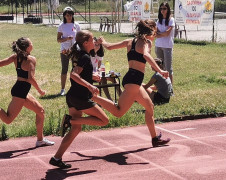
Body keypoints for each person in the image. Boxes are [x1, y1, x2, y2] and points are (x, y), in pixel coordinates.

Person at [93, 19, 171, 147]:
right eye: (155, 32)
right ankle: (93, 97)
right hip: (134, 82)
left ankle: (155, 138)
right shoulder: (147, 42)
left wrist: (103, 42)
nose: (155, 34)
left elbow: (110, 47)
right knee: (118, 112)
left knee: (150, 106)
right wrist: (160, 70)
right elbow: (145, 55)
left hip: (132, 80)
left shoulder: (130, 41)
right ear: (150, 30)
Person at [49, 30, 109, 169]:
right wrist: (90, 85)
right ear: (86, 43)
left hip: (73, 96)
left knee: (75, 130)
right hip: (81, 97)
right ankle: (70, 120)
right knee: (104, 120)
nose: (95, 42)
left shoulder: (81, 54)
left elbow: (80, 73)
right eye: (93, 39)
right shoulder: (85, 57)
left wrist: (91, 77)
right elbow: (73, 75)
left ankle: (56, 158)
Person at [0, 37, 54, 147]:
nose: (32, 44)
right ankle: (40, 140)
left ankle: (40, 140)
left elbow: (1, 63)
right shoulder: (31, 59)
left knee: (40, 111)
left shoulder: (15, 57)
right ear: (28, 47)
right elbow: (30, 78)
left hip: (20, 89)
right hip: (21, 92)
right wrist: (40, 90)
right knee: (8, 119)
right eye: (31, 42)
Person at [57, 6, 81, 96]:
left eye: (70, 15)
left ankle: (75, 87)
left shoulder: (77, 25)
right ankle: (62, 89)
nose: (69, 17)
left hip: (75, 50)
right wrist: (66, 38)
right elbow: (58, 39)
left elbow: (80, 37)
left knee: (75, 69)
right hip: (65, 50)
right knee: (64, 69)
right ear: (64, 16)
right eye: (67, 15)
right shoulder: (61, 26)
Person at [155, 2, 175, 86]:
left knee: (168, 68)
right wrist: (161, 34)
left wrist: (160, 34)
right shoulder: (158, 21)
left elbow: (167, 34)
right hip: (158, 46)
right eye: (161, 9)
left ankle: (170, 89)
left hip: (167, 46)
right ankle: (161, 86)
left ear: (168, 9)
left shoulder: (171, 20)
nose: (162, 10)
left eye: (164, 9)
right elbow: (155, 33)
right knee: (159, 68)